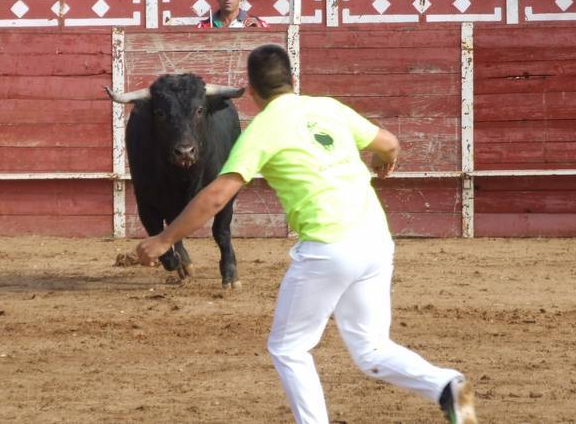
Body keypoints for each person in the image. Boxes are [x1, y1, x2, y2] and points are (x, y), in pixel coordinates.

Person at [137, 43, 478, 424]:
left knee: (288, 348)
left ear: (252, 92)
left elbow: (216, 196)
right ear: (292, 80)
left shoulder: (262, 129)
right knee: (371, 349)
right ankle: (445, 385)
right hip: (376, 241)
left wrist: (165, 239)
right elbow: (389, 143)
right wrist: (386, 159)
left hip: (327, 247)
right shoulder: (328, 107)